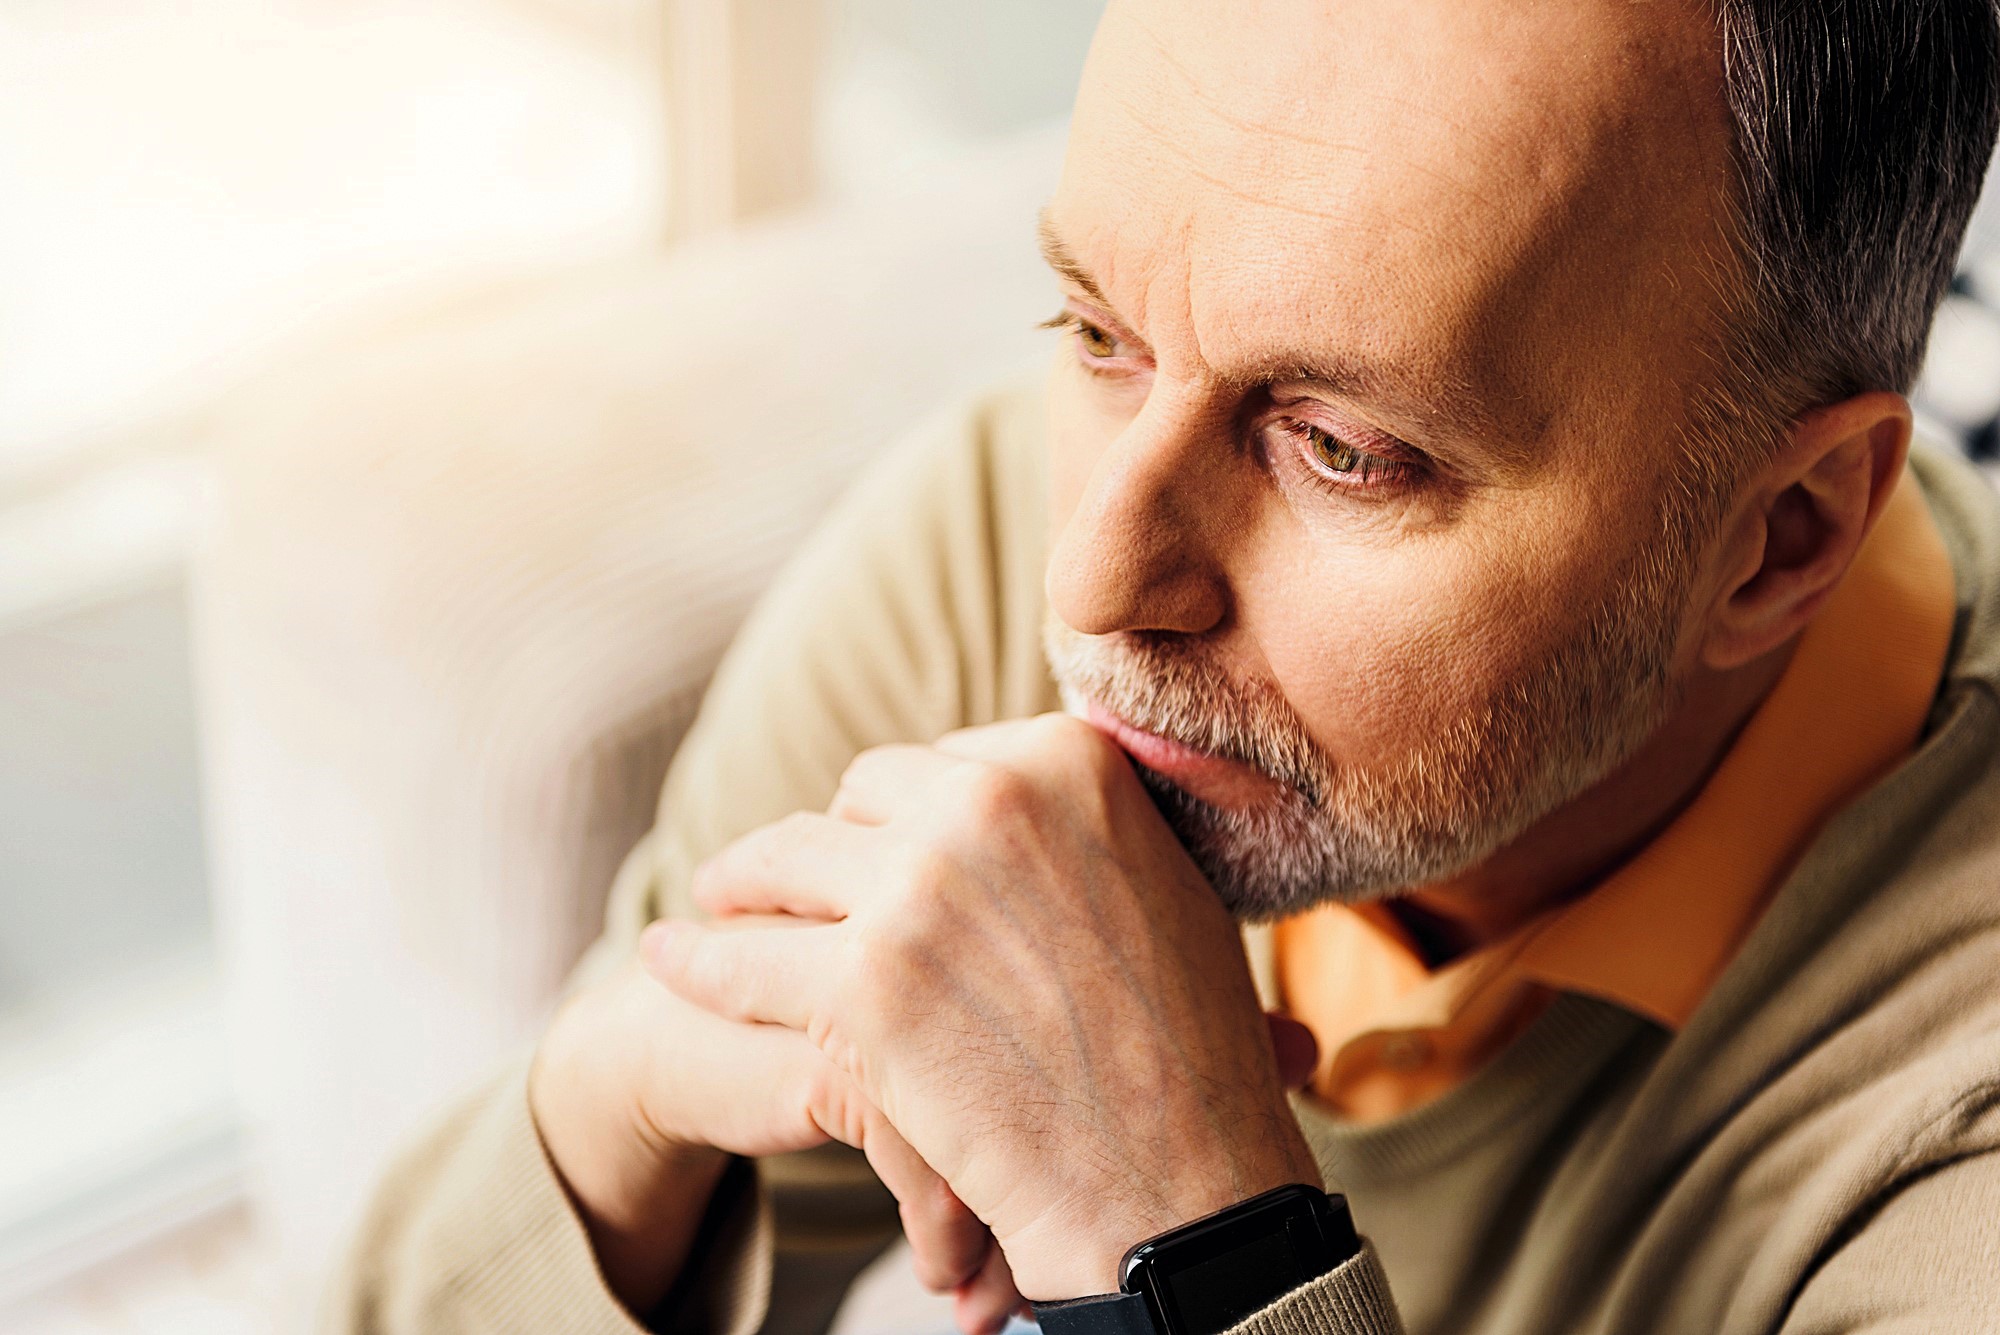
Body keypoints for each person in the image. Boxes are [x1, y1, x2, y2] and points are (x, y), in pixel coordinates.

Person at [329, 1, 2000, 1332]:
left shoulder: (1954, 1137)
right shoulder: (986, 534)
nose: (1093, 578)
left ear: (1776, 538)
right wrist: (613, 1118)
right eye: (1099, 335)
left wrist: (1201, 1254)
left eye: (1342, 448)